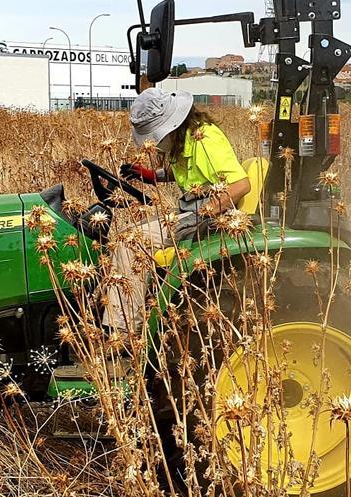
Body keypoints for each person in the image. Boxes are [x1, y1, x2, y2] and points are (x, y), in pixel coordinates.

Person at [101, 88, 251, 335]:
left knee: (128, 243)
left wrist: (204, 214)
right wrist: (149, 176)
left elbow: (241, 185)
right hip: (190, 212)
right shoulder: (187, 140)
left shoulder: (206, 140)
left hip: (208, 219)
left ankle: (124, 333)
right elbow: (186, 173)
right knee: (127, 234)